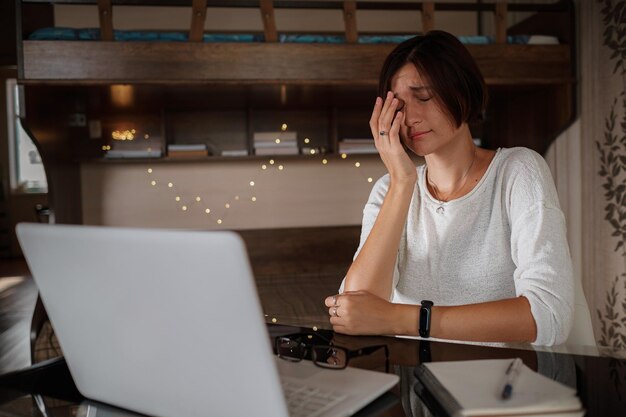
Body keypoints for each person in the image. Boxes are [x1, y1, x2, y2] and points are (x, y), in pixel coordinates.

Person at [324, 30, 574, 346]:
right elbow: (357, 308)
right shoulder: (389, 188)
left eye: (424, 97)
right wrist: (402, 184)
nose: (409, 117)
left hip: (503, 388)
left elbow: (550, 316)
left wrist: (406, 319)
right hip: (417, 388)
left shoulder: (517, 171)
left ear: (462, 91)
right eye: (398, 105)